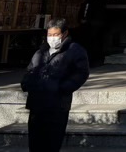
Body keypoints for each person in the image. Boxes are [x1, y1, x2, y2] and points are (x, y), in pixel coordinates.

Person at [21, 18, 90, 152]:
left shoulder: (74, 50)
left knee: (52, 141)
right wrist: (26, 83)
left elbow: (81, 73)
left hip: (57, 103)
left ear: (64, 34)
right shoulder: (41, 51)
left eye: (55, 35)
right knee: (35, 141)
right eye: (49, 35)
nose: (52, 38)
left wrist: (62, 87)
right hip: (36, 102)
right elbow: (30, 69)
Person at [77, 0, 106, 67]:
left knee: (89, 41)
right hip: (99, 21)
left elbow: (87, 8)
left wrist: (84, 18)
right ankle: (97, 59)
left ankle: (89, 60)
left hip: (91, 22)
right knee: (97, 41)